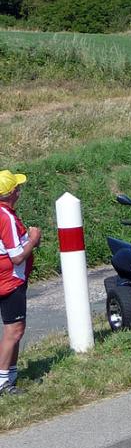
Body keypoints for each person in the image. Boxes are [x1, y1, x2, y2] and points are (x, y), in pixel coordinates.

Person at [0, 170, 39, 396]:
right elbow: (16, 256)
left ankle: (11, 376)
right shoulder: (5, 217)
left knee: (17, 329)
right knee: (13, 330)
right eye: (18, 186)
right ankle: (3, 381)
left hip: (9, 279)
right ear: (13, 192)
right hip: (10, 280)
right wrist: (32, 240)